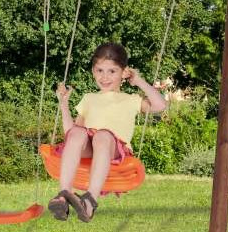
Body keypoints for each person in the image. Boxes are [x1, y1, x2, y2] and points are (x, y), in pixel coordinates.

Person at [48, 42, 166, 222]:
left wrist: (138, 81)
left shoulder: (131, 99)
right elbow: (71, 135)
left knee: (102, 135)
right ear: (93, 71)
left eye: (112, 71)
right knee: (78, 133)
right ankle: (64, 195)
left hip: (114, 149)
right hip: (90, 145)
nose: (105, 77)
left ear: (124, 72)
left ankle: (90, 201)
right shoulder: (89, 98)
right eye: (100, 70)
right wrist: (63, 104)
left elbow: (160, 105)